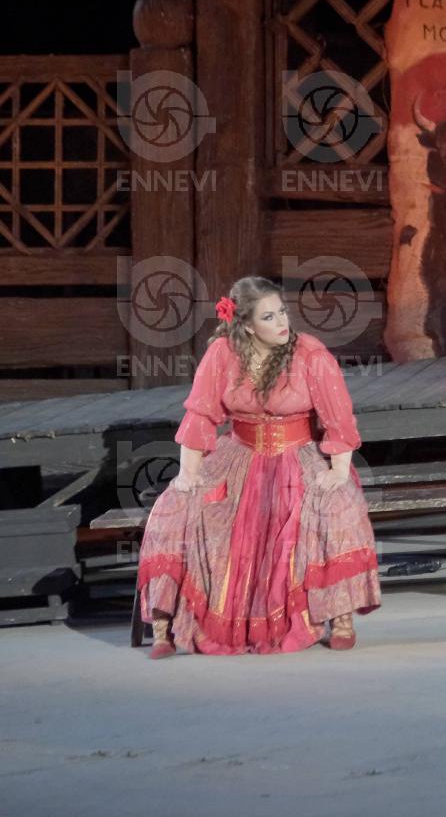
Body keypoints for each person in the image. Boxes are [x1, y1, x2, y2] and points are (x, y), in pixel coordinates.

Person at [136, 275, 382, 657]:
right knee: (176, 505)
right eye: (269, 317)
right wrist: (188, 473)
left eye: (282, 312)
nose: (282, 322)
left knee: (335, 503)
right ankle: (165, 625)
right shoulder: (222, 353)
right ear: (247, 325)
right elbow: (200, 415)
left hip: (299, 453)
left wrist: (337, 470)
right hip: (239, 454)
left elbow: (338, 418)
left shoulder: (310, 354)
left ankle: (340, 615)